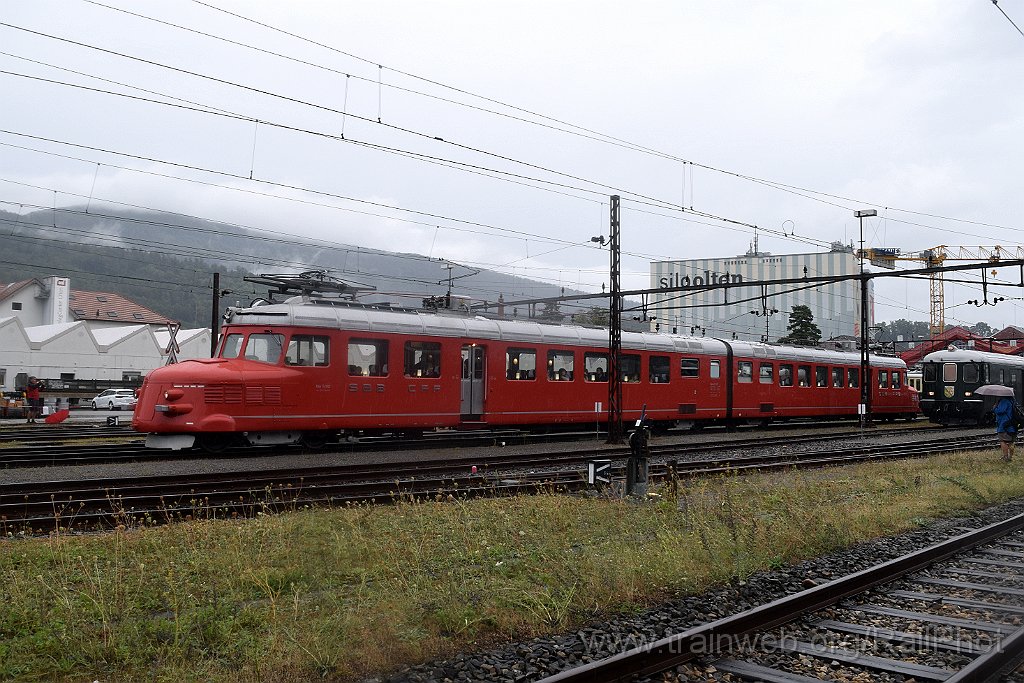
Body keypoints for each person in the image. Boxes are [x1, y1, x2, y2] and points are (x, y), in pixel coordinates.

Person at [994, 395, 1018, 462]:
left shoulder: (1004, 401)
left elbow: (1000, 411)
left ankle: (1005, 457)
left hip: (1004, 425)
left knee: (1003, 441)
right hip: (1012, 425)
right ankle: (1010, 457)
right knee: (1011, 442)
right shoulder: (1013, 401)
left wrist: (995, 408)